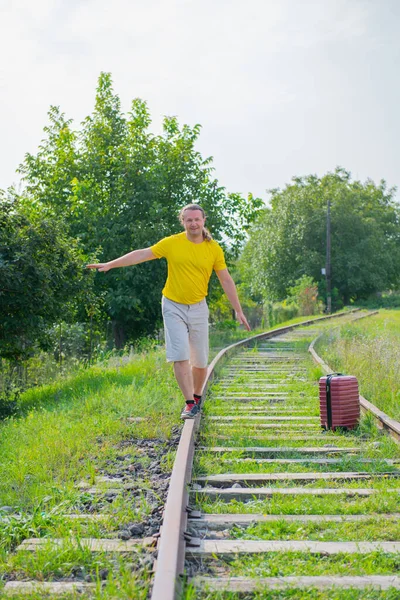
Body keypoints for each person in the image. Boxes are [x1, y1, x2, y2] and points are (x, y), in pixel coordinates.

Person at [87, 204, 250, 419]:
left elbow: (226, 280)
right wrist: (110, 264)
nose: (193, 223)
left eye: (197, 219)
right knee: (180, 354)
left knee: (200, 361)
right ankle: (190, 403)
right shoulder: (172, 243)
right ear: (183, 222)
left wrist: (238, 310)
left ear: (204, 221)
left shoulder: (213, 249)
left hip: (199, 307)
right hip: (173, 305)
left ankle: (197, 396)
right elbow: (142, 254)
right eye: (188, 220)